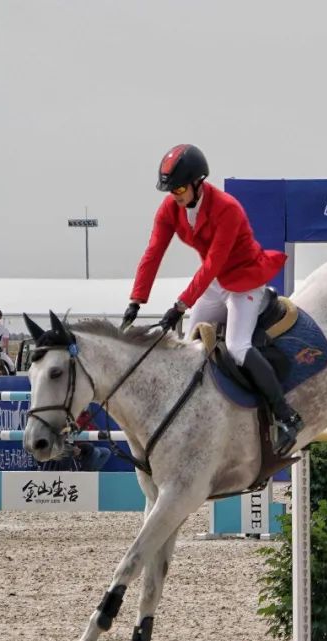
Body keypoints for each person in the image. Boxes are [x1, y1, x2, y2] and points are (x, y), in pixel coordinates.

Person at [122, 144, 302, 455]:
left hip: (245, 280)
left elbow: (213, 263)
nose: (174, 195)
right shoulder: (170, 209)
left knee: (237, 347)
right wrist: (136, 301)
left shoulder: (226, 208)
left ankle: (286, 415)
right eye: (169, 189)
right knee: (194, 346)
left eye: (179, 188)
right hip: (216, 283)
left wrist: (179, 305)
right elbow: (153, 253)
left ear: (197, 182)